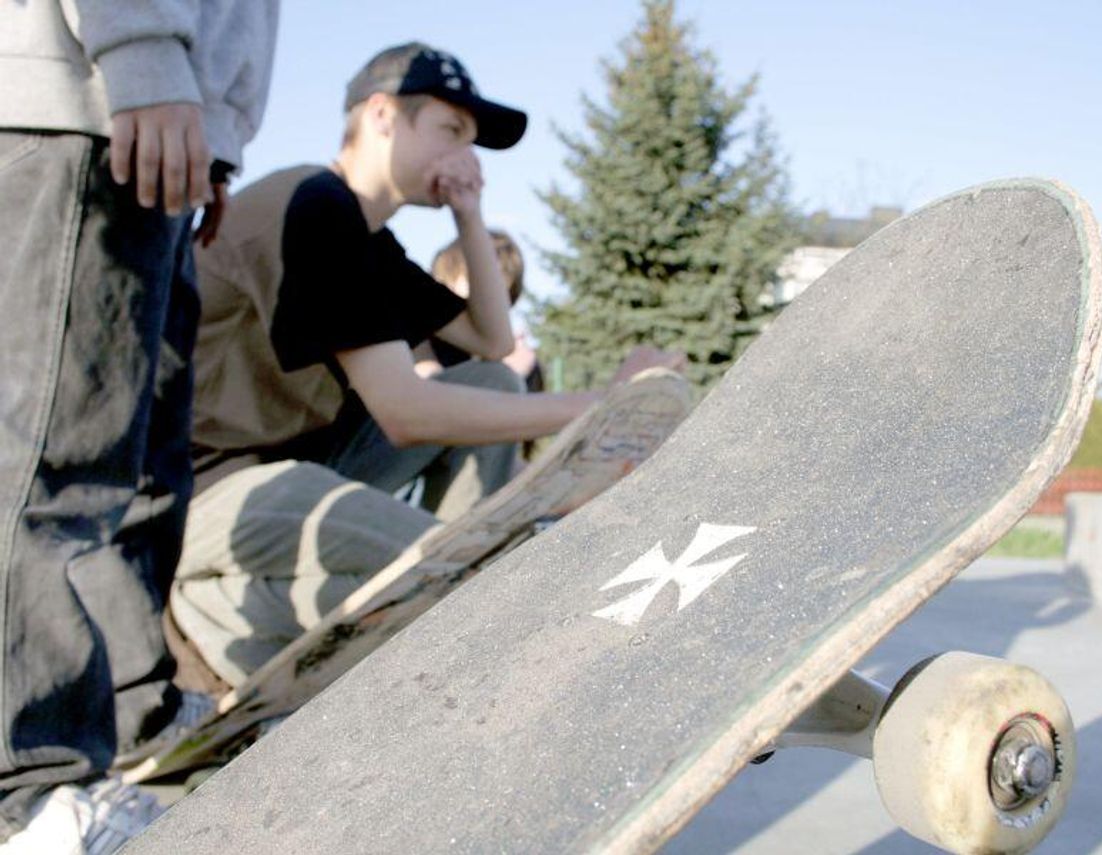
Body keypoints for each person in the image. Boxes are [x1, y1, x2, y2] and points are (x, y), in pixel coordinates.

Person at [168, 42, 683, 693]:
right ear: (382, 115)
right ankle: (205, 620)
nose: (464, 158)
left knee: (490, 389)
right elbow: (405, 411)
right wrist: (603, 404)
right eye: (450, 131)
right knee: (456, 574)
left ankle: (451, 590)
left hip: (295, 477)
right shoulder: (312, 203)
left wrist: (470, 213)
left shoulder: (369, 243)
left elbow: (492, 343)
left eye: (472, 143)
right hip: (207, 494)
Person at [0, 1, 278, 850]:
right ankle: (30, 791)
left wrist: (215, 131)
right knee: (53, 462)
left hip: (161, 119)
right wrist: (145, 54)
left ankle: (130, 717)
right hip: (92, 99)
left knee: (144, 464)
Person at [416, 230, 545, 395]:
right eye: (480, 285)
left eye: (503, 292)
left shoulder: (516, 355)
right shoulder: (421, 333)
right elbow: (429, 393)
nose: (492, 303)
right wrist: (506, 373)